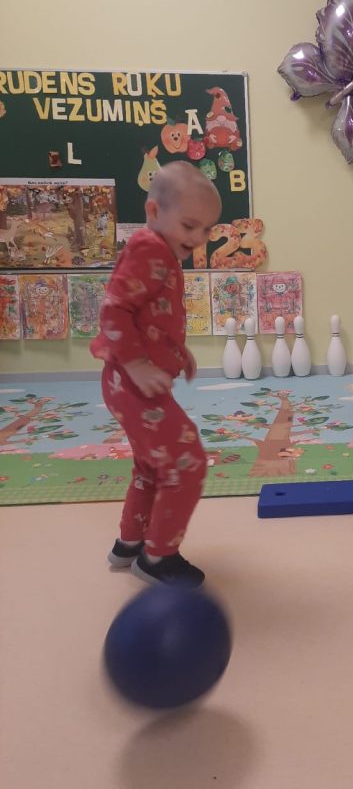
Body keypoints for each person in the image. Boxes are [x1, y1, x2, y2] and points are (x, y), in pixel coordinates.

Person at [91, 161, 221, 588]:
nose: (197, 238)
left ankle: (130, 543)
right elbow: (114, 310)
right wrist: (136, 364)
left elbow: (152, 316)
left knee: (151, 465)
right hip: (130, 383)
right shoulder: (149, 249)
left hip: (126, 383)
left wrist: (177, 352)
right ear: (153, 211)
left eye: (206, 230)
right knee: (187, 461)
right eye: (189, 225)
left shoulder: (160, 251)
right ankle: (158, 557)